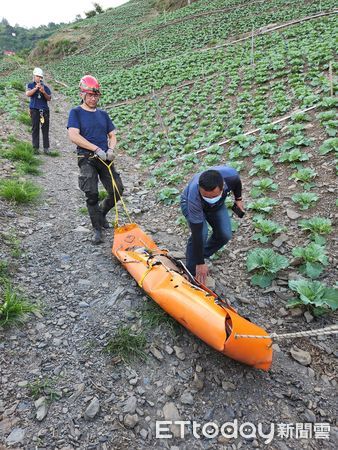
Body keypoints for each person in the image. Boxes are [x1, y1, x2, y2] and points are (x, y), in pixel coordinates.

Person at [67, 75, 124, 245]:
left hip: (105, 158)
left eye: (95, 95)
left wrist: (111, 149)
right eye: (89, 95)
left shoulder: (103, 114)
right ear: (82, 95)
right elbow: (73, 135)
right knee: (91, 193)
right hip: (87, 158)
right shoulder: (75, 112)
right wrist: (96, 149)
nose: (93, 98)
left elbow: (112, 135)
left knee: (117, 189)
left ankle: (101, 213)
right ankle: (97, 229)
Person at [180, 165, 244, 285]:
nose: (210, 198)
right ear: (200, 188)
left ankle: (200, 255)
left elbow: (237, 183)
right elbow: (197, 233)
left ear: (222, 187)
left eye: (213, 196)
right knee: (202, 234)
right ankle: (190, 269)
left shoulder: (230, 176)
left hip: (217, 206)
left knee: (225, 235)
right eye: (205, 196)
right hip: (193, 204)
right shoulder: (194, 197)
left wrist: (238, 199)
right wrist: (199, 262)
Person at [26, 67, 52, 154]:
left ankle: (46, 148)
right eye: (37, 76)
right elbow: (28, 94)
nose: (39, 78)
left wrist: (43, 92)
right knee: (35, 128)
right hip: (34, 109)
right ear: (34, 76)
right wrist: (36, 88)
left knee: (45, 129)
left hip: (44, 110)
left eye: (40, 77)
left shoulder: (46, 87)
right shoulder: (30, 85)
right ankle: (35, 148)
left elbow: (49, 98)